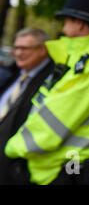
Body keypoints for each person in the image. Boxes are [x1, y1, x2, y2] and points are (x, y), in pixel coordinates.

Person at [4, 0, 89, 185]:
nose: (63, 28)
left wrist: (11, 148)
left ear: (80, 24)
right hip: (77, 171)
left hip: (67, 174)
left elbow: (50, 126)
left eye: (66, 21)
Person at [0, 28, 54, 184]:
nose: (18, 53)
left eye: (24, 48)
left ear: (42, 49)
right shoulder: (16, 73)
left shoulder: (50, 81)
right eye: (16, 48)